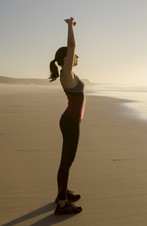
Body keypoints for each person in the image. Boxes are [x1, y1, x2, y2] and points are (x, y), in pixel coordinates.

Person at [49, 17, 85, 215]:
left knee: (67, 160)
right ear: (66, 59)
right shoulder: (67, 73)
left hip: (71, 121)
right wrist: (70, 26)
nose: (77, 56)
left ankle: (61, 193)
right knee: (66, 162)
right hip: (71, 122)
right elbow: (71, 45)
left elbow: (71, 49)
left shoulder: (68, 74)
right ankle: (62, 204)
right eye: (73, 55)